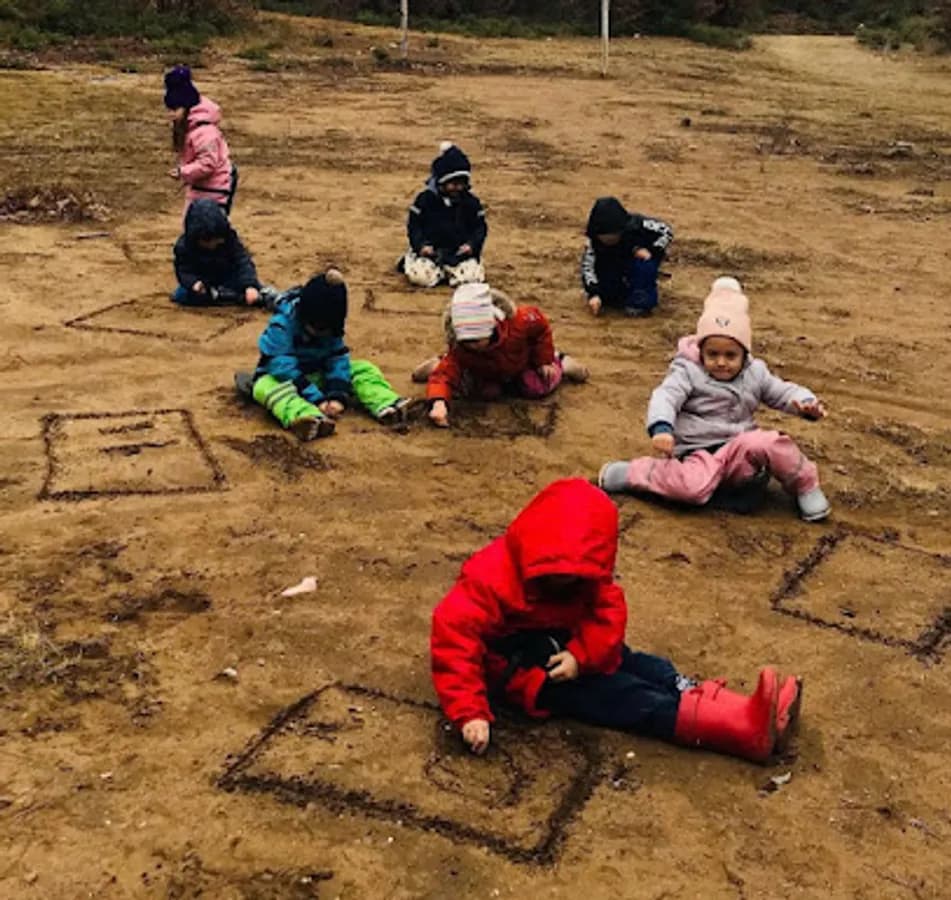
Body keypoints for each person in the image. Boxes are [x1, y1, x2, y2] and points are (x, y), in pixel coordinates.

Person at [430, 478, 802, 763]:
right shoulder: (490, 578)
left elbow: (609, 610)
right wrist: (470, 712)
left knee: (649, 667)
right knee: (628, 698)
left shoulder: (585, 575)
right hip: (529, 671)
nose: (568, 581)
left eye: (577, 576)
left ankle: (740, 706)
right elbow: (454, 639)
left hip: (568, 646)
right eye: (558, 574)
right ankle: (739, 731)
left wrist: (583, 655)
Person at [598, 278, 831, 521]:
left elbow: (782, 391)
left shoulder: (755, 372)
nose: (721, 362)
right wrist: (661, 427)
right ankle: (635, 473)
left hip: (739, 449)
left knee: (770, 443)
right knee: (692, 488)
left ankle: (806, 487)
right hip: (697, 452)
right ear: (700, 350)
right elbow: (666, 396)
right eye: (712, 354)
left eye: (730, 355)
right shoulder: (687, 370)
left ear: (744, 352)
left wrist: (805, 403)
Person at [236, 269, 412, 440]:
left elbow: (338, 357)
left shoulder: (332, 329)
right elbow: (282, 367)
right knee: (263, 387)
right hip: (285, 379)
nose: (321, 333)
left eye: (327, 329)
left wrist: (337, 394)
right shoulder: (282, 325)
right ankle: (306, 418)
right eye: (316, 327)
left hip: (319, 376)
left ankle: (387, 404)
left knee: (363, 368)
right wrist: (317, 398)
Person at [415, 282, 588, 429]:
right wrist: (438, 403)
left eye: (476, 340)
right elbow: (444, 376)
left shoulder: (518, 322)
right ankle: (439, 362)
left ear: (491, 328)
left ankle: (562, 363)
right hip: (486, 372)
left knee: (535, 387)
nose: (473, 346)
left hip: (523, 363)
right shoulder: (461, 349)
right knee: (484, 393)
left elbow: (541, 328)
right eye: (466, 342)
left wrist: (544, 360)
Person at [399, 142, 487, 288]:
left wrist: (471, 245)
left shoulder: (471, 203)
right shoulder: (425, 200)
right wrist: (421, 245)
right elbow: (414, 226)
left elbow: (480, 228)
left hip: (459, 254)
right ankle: (410, 261)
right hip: (431, 253)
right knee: (420, 278)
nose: (457, 188)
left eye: (461, 183)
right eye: (452, 183)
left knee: (472, 279)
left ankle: (450, 273)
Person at [164, 65, 238, 218]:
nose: (170, 115)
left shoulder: (205, 132)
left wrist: (183, 172)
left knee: (206, 231)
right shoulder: (191, 128)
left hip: (214, 190)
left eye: (174, 109)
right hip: (200, 189)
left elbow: (208, 163)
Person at [580, 196, 673, 317]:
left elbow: (667, 231)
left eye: (613, 236)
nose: (609, 241)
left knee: (644, 266)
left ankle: (640, 303)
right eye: (604, 238)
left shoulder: (638, 225)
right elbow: (588, 268)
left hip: (637, 261)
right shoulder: (593, 243)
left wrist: (652, 251)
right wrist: (593, 293)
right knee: (609, 294)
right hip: (611, 266)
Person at [172, 200, 261, 307]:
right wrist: (193, 283)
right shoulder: (184, 246)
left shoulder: (230, 239)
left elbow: (242, 261)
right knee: (181, 295)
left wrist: (249, 285)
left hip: (228, 277)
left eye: (216, 240)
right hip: (204, 282)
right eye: (206, 241)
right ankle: (224, 296)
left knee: (253, 291)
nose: (212, 245)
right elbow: (183, 270)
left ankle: (231, 295)